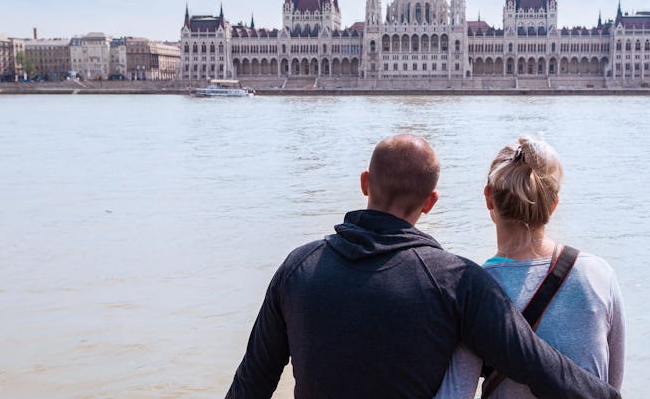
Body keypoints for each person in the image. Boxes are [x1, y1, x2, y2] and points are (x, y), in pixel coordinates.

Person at [224, 134, 620, 399]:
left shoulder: (297, 269)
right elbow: (537, 364)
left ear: (365, 183)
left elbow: (251, 383)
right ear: (431, 202)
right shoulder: (457, 282)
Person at [435, 136, 625, 398]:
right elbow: (610, 387)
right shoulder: (598, 274)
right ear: (554, 203)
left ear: (489, 198)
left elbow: (456, 393)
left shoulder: (471, 288)